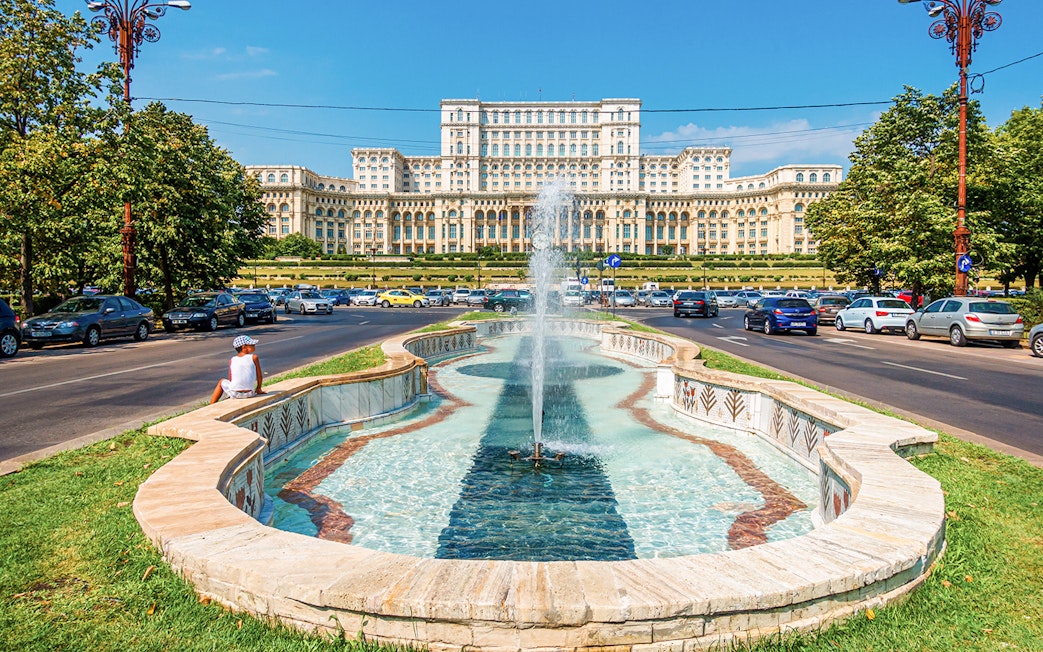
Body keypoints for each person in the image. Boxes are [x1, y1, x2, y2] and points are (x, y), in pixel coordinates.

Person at [210, 335, 265, 404]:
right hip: (249, 393)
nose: (254, 345)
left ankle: (212, 403)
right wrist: (258, 388)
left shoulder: (232, 360)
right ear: (244, 347)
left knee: (221, 381)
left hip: (234, 393)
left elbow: (231, 378)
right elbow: (259, 376)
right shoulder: (254, 357)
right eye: (252, 345)